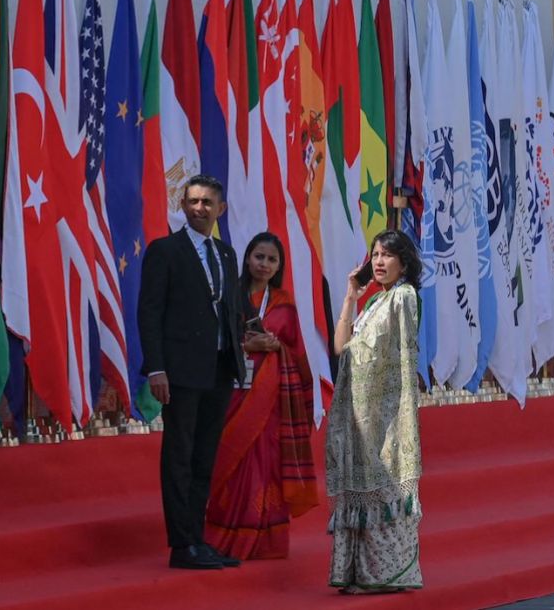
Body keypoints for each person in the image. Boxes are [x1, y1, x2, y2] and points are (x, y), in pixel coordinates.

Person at [139, 175, 245, 570]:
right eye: (193, 201)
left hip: (219, 367)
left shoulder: (227, 254)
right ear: (182, 206)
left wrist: (243, 351)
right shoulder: (165, 251)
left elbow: (230, 310)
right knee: (179, 455)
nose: (200, 208)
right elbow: (149, 313)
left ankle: (198, 540)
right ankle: (181, 545)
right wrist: (156, 368)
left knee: (205, 456)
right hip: (180, 371)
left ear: (222, 209)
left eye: (207, 202)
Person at [203, 232, 319, 560]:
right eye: (259, 257)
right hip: (231, 393)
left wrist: (277, 346)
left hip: (270, 403)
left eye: (271, 259)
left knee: (264, 465)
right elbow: (214, 341)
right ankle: (222, 536)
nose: (264, 264)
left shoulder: (284, 303)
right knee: (231, 461)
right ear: (247, 258)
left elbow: (296, 353)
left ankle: (263, 540)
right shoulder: (230, 296)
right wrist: (246, 345)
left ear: (279, 265)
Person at [327, 229, 425, 594]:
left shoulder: (404, 297)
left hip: (383, 413)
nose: (379, 261)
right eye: (375, 254)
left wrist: (399, 411)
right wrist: (352, 295)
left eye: (387, 255)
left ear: (404, 262)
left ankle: (389, 574)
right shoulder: (372, 304)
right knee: (360, 490)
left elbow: (400, 354)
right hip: (357, 412)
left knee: (384, 491)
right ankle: (361, 573)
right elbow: (341, 349)